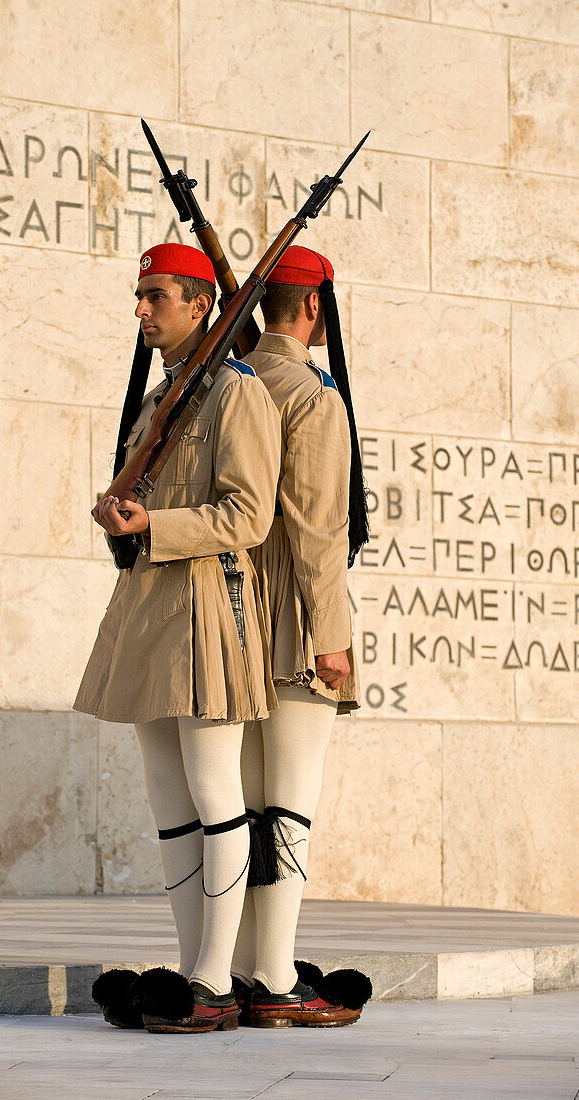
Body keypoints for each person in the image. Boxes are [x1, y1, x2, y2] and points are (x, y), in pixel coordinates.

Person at [75, 242, 281, 1033]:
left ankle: (213, 982)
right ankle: (194, 970)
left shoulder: (236, 394)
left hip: (205, 607)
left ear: (201, 305)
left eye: (154, 296)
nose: (140, 310)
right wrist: (120, 520)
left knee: (213, 792)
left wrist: (153, 522)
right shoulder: (162, 397)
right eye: (139, 296)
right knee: (168, 798)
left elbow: (249, 516)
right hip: (147, 606)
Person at [231, 244, 371, 1027]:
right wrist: (332, 635)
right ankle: (277, 978)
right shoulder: (313, 396)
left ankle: (245, 965)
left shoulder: (232, 381)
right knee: (290, 806)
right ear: (315, 308)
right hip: (292, 623)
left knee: (247, 808)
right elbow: (319, 531)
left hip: (235, 623)